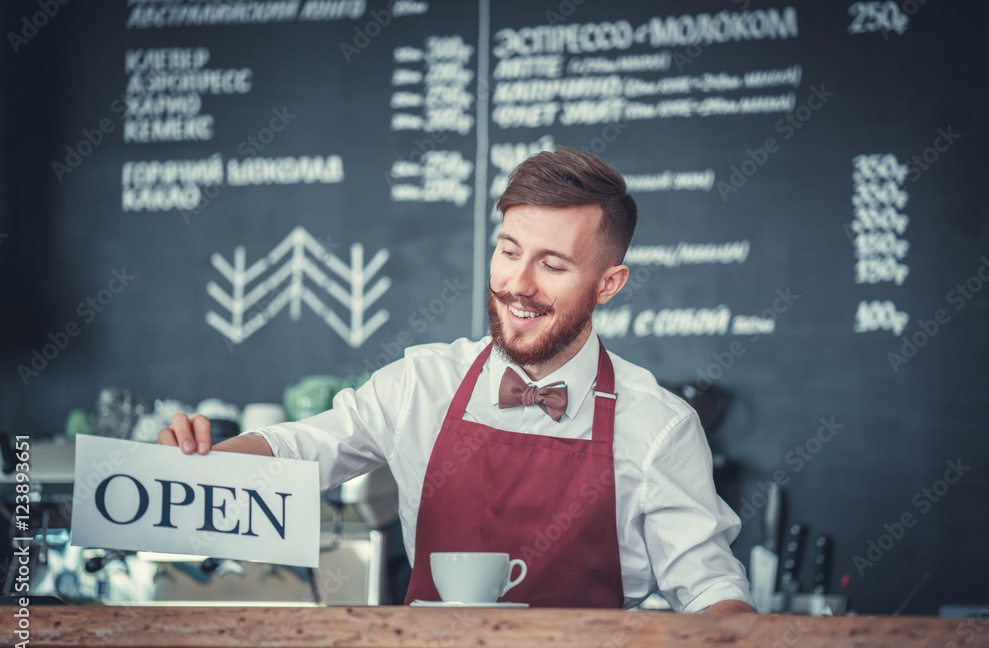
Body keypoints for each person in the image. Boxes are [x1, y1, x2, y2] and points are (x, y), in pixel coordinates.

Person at [159, 146, 756, 614]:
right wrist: (204, 459)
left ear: (608, 284)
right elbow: (300, 450)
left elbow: (711, 594)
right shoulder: (423, 382)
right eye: (507, 250)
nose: (517, 283)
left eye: (552, 264)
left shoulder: (658, 426)